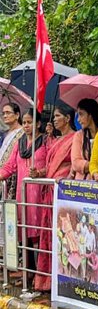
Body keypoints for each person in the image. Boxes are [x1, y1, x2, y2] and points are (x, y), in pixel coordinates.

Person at [0, 108, 47, 281]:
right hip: (22, 194)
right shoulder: (19, 144)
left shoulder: (45, 141)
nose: (26, 126)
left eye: (30, 122)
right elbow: (10, 166)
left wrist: (41, 172)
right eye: (25, 122)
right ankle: (27, 273)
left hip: (38, 195)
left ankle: (39, 275)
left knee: (37, 232)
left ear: (38, 124)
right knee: (23, 231)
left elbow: (52, 165)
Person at [35, 105, 76, 291]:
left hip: (63, 194)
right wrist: (39, 172)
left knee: (64, 237)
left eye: (58, 116)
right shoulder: (56, 140)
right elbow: (51, 167)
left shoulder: (75, 138)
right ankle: (46, 281)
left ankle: (63, 282)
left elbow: (71, 166)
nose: (54, 119)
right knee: (48, 235)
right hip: (49, 193)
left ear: (68, 118)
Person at [70, 99, 98, 180]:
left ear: (90, 115)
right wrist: (95, 165)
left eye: (81, 114)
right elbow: (76, 163)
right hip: (82, 185)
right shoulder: (79, 135)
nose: (78, 120)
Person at [0, 103, 24, 199]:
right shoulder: (5, 134)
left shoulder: (22, 133)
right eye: (3, 113)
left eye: (8, 113)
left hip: (12, 176)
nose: (5, 116)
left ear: (17, 115)